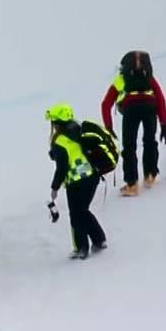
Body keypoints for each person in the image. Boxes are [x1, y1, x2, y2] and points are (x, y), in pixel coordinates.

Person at [99, 50, 166, 195]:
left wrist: (109, 127)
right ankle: (150, 176)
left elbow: (106, 104)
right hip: (150, 108)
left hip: (130, 110)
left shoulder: (122, 78)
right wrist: (164, 125)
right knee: (150, 141)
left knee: (129, 146)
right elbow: (161, 100)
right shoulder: (149, 78)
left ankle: (132, 185)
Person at [46, 103, 109, 259]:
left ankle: (81, 248)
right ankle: (99, 239)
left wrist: (54, 188)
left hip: (76, 182)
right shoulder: (80, 129)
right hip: (92, 177)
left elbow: (62, 168)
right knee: (83, 210)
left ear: (56, 123)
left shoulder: (59, 141)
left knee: (76, 215)